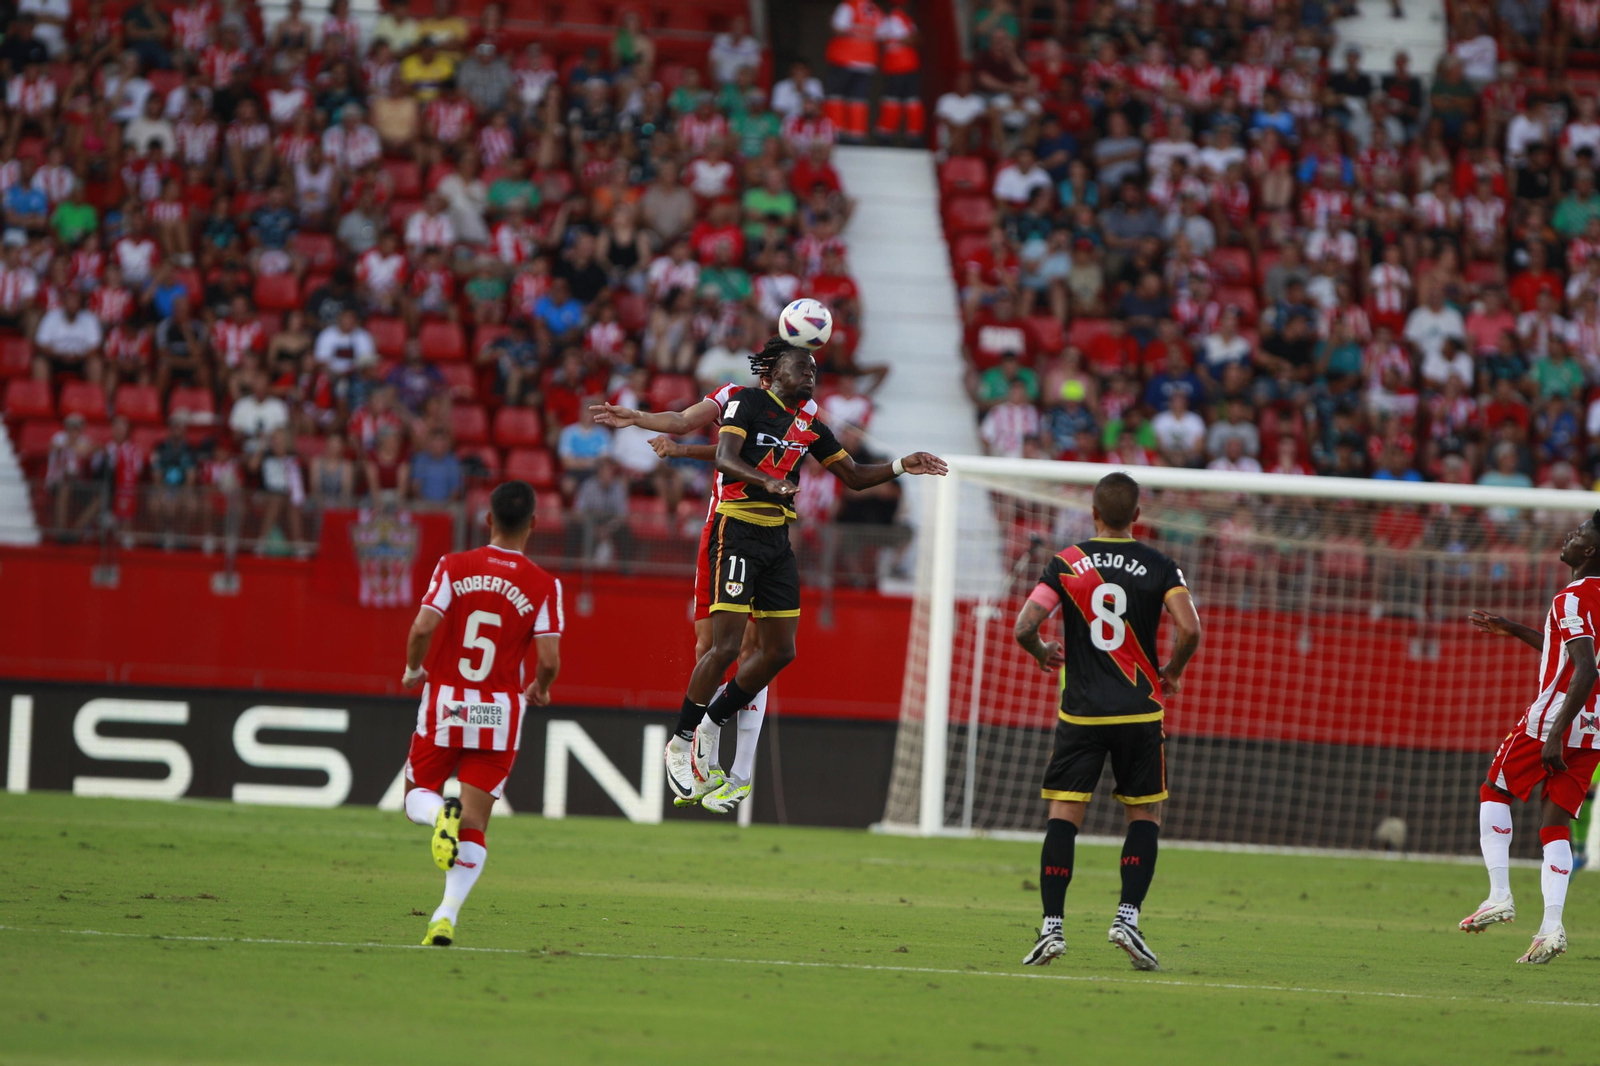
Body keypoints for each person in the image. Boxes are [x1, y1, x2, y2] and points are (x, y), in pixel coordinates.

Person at [661, 338, 946, 805]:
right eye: (800, 365)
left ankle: (712, 722)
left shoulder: (810, 420)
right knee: (726, 645)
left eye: (813, 366)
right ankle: (680, 741)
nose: (810, 372)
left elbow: (852, 475)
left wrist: (900, 465)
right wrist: (765, 480)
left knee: (781, 651)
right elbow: (724, 458)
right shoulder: (746, 401)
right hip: (737, 530)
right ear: (772, 373)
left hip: (777, 540)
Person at [1012, 471, 1202, 971]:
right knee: (1144, 817)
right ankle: (1126, 918)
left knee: (1063, 816)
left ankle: (1052, 928)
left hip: (1081, 712)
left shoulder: (1068, 562)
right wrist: (1173, 672)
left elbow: (1024, 625)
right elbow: (1189, 628)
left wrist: (1041, 651)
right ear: (1138, 516)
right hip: (1140, 710)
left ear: (1093, 513)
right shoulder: (1161, 564)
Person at [399, 480, 562, 948]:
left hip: (447, 700)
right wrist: (541, 688)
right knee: (476, 823)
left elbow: (422, 627)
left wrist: (414, 670)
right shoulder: (543, 584)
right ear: (533, 524)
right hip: (501, 714)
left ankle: (438, 816)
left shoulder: (454, 566)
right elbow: (549, 660)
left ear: (487, 520)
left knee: (417, 798)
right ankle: (444, 916)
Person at [1464, 513, 1600, 964]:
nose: (1570, 537)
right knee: (1554, 826)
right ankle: (1551, 927)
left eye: (1579, 534)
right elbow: (1570, 653)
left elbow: (1584, 668)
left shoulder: (1571, 597)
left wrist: (1555, 733)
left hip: (1555, 716)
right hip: (1595, 726)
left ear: (1589, 552)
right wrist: (1517, 629)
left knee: (1494, 788)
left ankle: (1499, 893)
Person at [824, 0, 882, 142]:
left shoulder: (849, 5)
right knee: (858, 100)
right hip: (866, 62)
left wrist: (831, 21)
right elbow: (883, 33)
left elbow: (837, 27)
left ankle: (835, 134)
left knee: (835, 97)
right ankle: (856, 136)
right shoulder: (875, 9)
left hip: (844, 59)